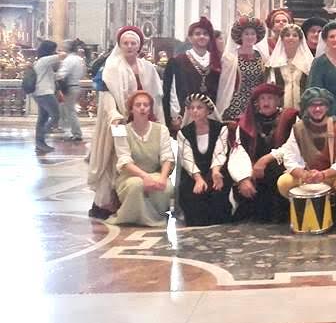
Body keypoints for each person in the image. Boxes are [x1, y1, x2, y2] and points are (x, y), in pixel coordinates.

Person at [88, 26, 165, 219]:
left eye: (133, 43)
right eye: (126, 43)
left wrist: (159, 117)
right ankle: (109, 203)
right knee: (116, 160)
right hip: (119, 120)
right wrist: (114, 114)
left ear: (139, 46)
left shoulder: (148, 67)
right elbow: (106, 94)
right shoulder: (112, 67)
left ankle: (141, 200)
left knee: (143, 158)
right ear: (120, 45)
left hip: (143, 119)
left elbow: (156, 95)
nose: (129, 46)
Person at [274, 88, 336, 206]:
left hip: (331, 176)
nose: (317, 109)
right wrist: (304, 174)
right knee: (284, 182)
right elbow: (290, 158)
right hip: (307, 176)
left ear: (327, 107)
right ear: (306, 107)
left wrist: (323, 175)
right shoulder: (298, 128)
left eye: (321, 105)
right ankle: (303, 208)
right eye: (312, 105)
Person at [106, 91, 174, 227]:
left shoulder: (162, 129)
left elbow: (167, 157)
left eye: (146, 105)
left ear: (150, 108)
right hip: (129, 176)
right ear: (131, 109)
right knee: (136, 185)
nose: (142, 108)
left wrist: (162, 178)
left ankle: (156, 216)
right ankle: (133, 217)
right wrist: (144, 177)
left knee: (166, 187)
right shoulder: (121, 130)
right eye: (138, 105)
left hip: (154, 173)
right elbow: (124, 160)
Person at [233, 83, 299, 223]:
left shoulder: (290, 118)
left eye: (270, 98)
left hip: (282, 167)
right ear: (257, 102)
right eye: (262, 98)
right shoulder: (247, 122)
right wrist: (244, 177)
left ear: (278, 101)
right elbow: (239, 152)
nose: (266, 102)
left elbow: (292, 147)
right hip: (254, 171)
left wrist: (265, 160)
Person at [176, 94, 232, 226]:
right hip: (193, 173)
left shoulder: (220, 129)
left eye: (199, 107)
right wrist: (198, 179)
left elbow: (220, 152)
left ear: (208, 110)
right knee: (191, 194)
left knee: (217, 193)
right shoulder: (183, 133)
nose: (195, 111)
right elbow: (187, 158)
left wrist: (215, 172)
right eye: (192, 108)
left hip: (216, 169)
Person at [163, 17, 222, 133]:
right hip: (187, 115)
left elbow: (222, 89)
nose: (202, 36)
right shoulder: (178, 61)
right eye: (197, 34)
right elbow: (172, 90)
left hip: (211, 115)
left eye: (205, 34)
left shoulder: (217, 61)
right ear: (190, 38)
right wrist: (175, 116)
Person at [217, 17, 267, 123]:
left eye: (253, 34)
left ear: (257, 36)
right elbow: (225, 85)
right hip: (236, 103)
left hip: (257, 104)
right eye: (246, 34)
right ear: (240, 36)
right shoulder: (230, 58)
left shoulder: (262, 57)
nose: (250, 37)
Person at [266, 23, 313, 110]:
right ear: (282, 39)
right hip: (280, 110)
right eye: (287, 35)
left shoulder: (308, 63)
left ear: (300, 39)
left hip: (304, 110)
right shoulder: (274, 63)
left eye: (295, 35)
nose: (291, 38)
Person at [31, 40, 61, 154]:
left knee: (42, 119)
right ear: (49, 50)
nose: (55, 52)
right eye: (53, 49)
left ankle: (40, 144)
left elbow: (50, 77)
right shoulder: (44, 60)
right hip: (45, 93)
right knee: (56, 115)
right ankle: (42, 134)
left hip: (41, 93)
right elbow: (62, 56)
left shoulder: (41, 62)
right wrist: (65, 51)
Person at [57, 40, 86, 142]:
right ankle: (70, 131)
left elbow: (61, 74)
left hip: (69, 87)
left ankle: (76, 133)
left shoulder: (69, 60)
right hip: (76, 85)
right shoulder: (79, 59)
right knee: (68, 110)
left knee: (70, 111)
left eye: (64, 46)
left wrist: (54, 76)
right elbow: (83, 73)